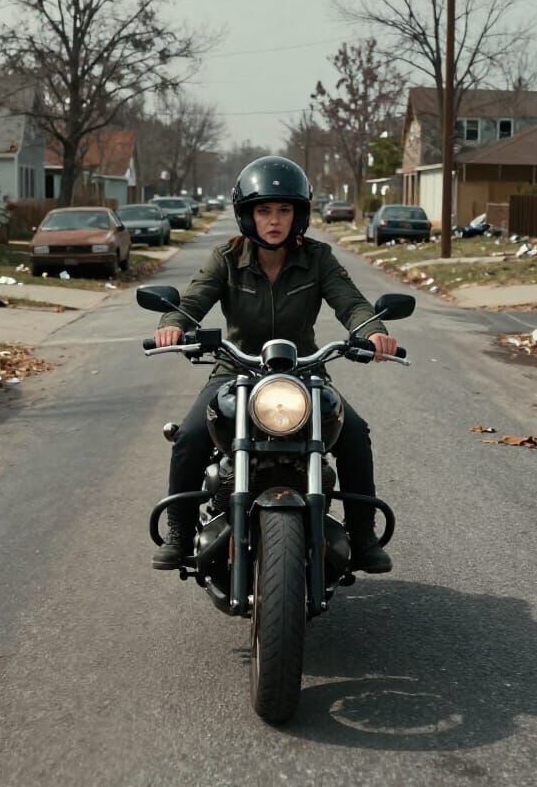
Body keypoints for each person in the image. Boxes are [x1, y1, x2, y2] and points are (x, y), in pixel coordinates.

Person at [150, 156, 399, 574]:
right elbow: (192, 301)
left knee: (354, 432)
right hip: (237, 370)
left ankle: (363, 533)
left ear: (298, 214)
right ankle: (179, 531)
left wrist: (372, 330)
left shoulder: (318, 259)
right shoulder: (225, 258)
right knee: (191, 434)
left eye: (284, 210)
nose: (274, 221)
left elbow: (350, 301)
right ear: (247, 215)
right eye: (264, 210)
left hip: (304, 371)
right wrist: (174, 324)